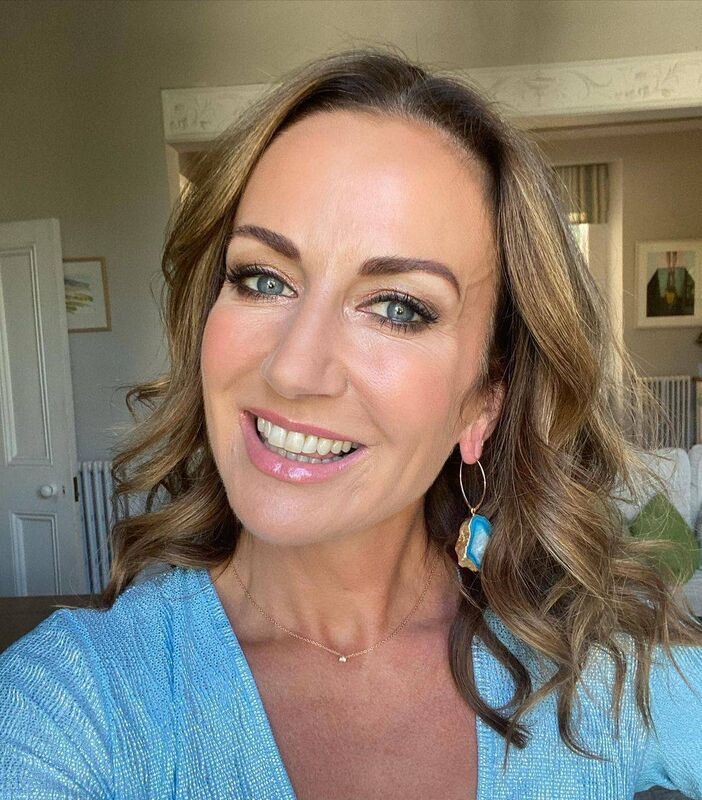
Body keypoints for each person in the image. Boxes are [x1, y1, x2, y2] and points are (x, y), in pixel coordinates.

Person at [1, 46, 702, 800]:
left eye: (397, 307)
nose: (293, 369)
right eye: (262, 279)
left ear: (483, 402)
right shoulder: (77, 705)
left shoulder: (595, 668)